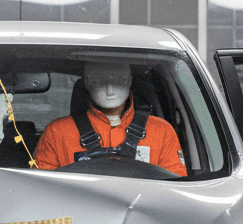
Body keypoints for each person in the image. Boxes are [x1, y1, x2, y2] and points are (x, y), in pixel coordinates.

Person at [35, 62, 187, 176]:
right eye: (99, 81)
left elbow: (174, 189)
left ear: (129, 81)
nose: (110, 90)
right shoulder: (58, 132)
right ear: (87, 83)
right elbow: (42, 189)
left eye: (119, 80)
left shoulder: (161, 131)